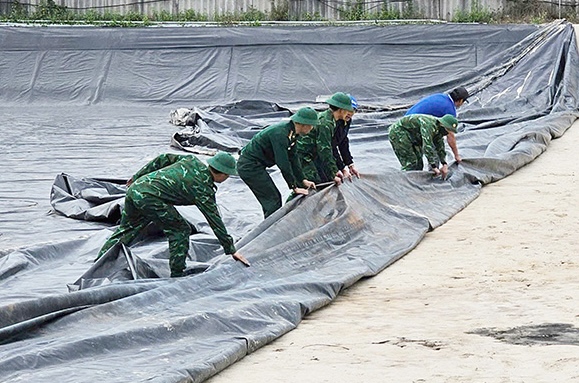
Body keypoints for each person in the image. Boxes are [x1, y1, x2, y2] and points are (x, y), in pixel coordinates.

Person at [96, 151, 249, 277]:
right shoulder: (203, 190)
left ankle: (98, 264)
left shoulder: (191, 160)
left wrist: (137, 176)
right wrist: (231, 250)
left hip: (136, 189)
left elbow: (163, 158)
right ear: (222, 174)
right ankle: (177, 273)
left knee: (127, 229)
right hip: (150, 198)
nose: (227, 178)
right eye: (228, 175)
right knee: (180, 230)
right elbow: (215, 221)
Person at [237, 107, 318, 219]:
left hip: (258, 165)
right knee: (272, 200)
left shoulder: (293, 134)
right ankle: (270, 232)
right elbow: (283, 163)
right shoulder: (281, 134)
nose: (312, 128)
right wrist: (293, 187)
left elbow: (294, 159)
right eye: (311, 125)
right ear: (303, 124)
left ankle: (271, 226)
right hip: (249, 166)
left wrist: (303, 180)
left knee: (273, 199)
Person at [297, 92, 354, 185]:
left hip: (313, 155)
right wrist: (334, 172)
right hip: (303, 156)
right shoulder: (326, 123)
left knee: (324, 180)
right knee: (310, 182)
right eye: (348, 110)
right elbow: (324, 149)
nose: (350, 114)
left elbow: (338, 144)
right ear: (341, 110)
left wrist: (341, 167)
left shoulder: (332, 121)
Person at [405, 86, 469, 163]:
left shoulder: (440, 96)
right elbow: (450, 136)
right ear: (461, 100)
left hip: (406, 121)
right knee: (433, 155)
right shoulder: (450, 110)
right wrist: (456, 155)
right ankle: (434, 172)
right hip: (412, 129)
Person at [388, 114, 459, 179]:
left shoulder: (439, 131)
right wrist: (433, 166)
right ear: (442, 125)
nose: (449, 133)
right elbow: (427, 145)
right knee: (411, 163)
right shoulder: (429, 124)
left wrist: (444, 164)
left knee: (419, 164)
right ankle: (404, 184)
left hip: (413, 137)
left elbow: (440, 147)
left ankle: (415, 183)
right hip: (398, 133)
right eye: (449, 130)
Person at [333, 94, 361, 181]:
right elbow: (330, 147)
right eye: (348, 110)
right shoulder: (331, 122)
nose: (351, 114)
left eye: (353, 110)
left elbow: (343, 141)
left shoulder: (346, 121)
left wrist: (350, 164)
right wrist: (341, 168)